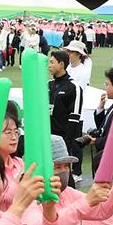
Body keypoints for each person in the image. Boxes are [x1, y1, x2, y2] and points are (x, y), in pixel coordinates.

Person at [48, 50, 84, 178]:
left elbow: (74, 118)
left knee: (63, 176)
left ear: (61, 64)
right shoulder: (48, 85)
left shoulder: (74, 87)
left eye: (52, 62)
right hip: (46, 139)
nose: (49, 65)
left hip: (62, 142)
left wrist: (67, 143)